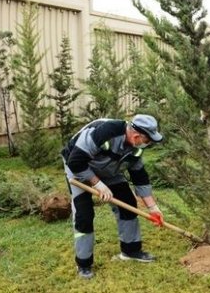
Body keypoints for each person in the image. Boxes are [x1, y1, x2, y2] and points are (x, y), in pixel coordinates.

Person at [62, 114, 164, 279]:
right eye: (148, 140)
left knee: (128, 203)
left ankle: (131, 251)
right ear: (136, 136)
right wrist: (97, 183)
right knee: (84, 215)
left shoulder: (136, 147)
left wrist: (153, 207)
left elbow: (139, 176)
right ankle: (84, 264)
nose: (148, 144)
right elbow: (76, 161)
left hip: (109, 170)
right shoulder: (105, 132)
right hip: (79, 169)